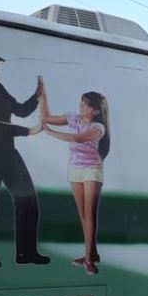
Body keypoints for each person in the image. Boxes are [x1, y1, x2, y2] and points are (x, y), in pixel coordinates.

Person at [0, 42, 49, 268]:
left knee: (28, 200)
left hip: (7, 153)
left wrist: (36, 97)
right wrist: (27, 131)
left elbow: (19, 110)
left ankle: (26, 253)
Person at [40, 84, 110, 275]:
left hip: (92, 171)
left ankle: (88, 260)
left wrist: (50, 132)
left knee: (90, 214)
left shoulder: (98, 127)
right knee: (82, 214)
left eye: (85, 105)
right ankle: (91, 254)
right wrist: (43, 97)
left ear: (95, 110)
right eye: (81, 103)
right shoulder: (72, 117)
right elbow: (47, 117)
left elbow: (78, 139)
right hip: (75, 170)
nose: (81, 106)